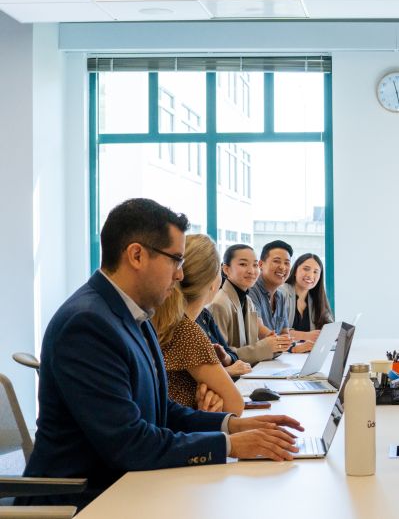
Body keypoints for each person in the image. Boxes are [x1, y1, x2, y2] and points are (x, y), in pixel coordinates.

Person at [21, 198, 303, 509]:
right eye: (176, 260)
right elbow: (129, 442)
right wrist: (230, 445)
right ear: (137, 255)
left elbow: (159, 411)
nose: (181, 274)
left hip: (128, 485)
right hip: (85, 500)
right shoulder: (87, 324)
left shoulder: (133, 314)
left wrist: (230, 425)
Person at [153, 234, 245, 415]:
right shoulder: (185, 331)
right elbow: (236, 406)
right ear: (212, 284)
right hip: (178, 433)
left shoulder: (161, 320)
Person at [211, 244, 292, 366]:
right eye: (243, 264)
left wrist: (275, 344)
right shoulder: (219, 304)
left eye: (254, 265)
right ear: (226, 269)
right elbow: (220, 357)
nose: (251, 271)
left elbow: (251, 345)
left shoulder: (247, 301)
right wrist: (266, 346)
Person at [248, 240, 313, 353]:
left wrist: (293, 347)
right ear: (261, 264)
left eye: (287, 263)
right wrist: (287, 344)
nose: (283, 267)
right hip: (255, 361)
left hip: (274, 359)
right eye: (277, 261)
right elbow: (260, 330)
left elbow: (285, 333)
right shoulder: (251, 290)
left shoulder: (280, 296)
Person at [280, 253, 334, 335]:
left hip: (310, 348)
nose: (310, 275)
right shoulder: (282, 292)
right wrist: (306, 336)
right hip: (286, 347)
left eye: (315, 272)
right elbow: (277, 330)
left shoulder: (316, 298)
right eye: (306, 269)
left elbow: (329, 324)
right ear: (295, 271)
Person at [195, 307, 252, 377]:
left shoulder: (204, 313)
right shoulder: (185, 323)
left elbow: (229, 352)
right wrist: (228, 371)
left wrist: (225, 358)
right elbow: (195, 377)